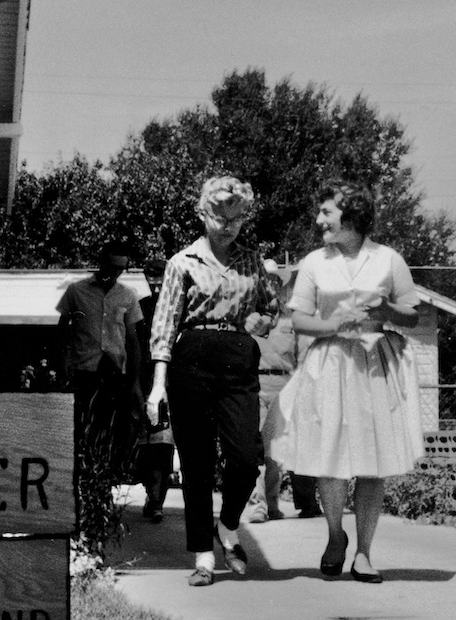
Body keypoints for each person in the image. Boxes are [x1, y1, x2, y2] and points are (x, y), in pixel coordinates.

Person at [266, 181, 425, 582]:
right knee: (331, 458)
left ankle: (365, 552)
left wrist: (386, 307)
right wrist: (330, 323)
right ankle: (336, 535)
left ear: (351, 214)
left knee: (373, 464)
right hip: (330, 361)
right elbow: (298, 317)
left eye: (327, 212)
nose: (319, 220)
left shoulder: (388, 259)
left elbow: (413, 313)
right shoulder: (315, 262)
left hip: (374, 364)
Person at [144, 175, 280, 587]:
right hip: (191, 360)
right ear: (204, 214)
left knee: (246, 457)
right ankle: (204, 555)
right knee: (197, 464)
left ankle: (229, 524)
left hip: (237, 359)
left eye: (237, 217)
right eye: (220, 215)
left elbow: (272, 308)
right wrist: (156, 386)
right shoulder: (181, 263)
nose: (228, 224)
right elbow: (164, 325)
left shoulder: (253, 261)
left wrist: (264, 319)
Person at [57, 240, 144, 498]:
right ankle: (79, 490)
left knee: (112, 433)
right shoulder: (76, 291)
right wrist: (63, 369)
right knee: (82, 432)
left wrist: (136, 382)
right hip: (85, 373)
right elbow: (62, 334)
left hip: (115, 375)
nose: (116, 273)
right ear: (102, 261)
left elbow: (133, 342)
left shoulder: (127, 296)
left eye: (122, 269)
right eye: (112, 266)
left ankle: (103, 489)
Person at [249, 261, 321, 523]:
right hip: (254, 387)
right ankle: (262, 505)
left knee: (280, 451)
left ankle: (280, 504)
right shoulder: (248, 319)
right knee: (257, 451)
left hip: (286, 387)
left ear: (280, 285)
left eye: (274, 281)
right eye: (265, 280)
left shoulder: (293, 320)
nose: (270, 285)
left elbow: (304, 357)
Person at [133, 278, 175, 523]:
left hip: (172, 385)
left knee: (164, 447)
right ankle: (153, 497)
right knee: (150, 447)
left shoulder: (175, 307)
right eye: (153, 282)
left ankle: (158, 499)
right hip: (147, 383)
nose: (157, 288)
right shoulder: (140, 307)